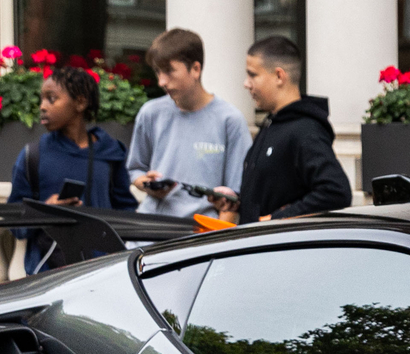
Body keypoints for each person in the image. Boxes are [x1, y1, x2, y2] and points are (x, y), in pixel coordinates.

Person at [6, 66, 136, 272]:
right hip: (48, 275)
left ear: (81, 102)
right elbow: (15, 224)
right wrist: (45, 211)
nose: (42, 106)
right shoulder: (33, 155)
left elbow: (127, 212)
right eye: (41, 99)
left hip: (103, 272)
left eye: (51, 98)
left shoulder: (111, 152)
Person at [212, 36, 351, 221]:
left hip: (280, 248)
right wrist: (238, 202)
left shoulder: (305, 130)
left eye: (252, 74)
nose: (246, 83)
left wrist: (278, 219)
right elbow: (274, 195)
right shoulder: (273, 123)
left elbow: (336, 192)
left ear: (279, 76)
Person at [127, 27, 252, 219]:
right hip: (149, 232)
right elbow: (135, 170)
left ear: (195, 69)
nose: (161, 81)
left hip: (200, 237)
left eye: (169, 71)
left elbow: (234, 197)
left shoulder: (230, 120)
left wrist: (218, 239)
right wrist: (148, 184)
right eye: (158, 72)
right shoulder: (150, 112)